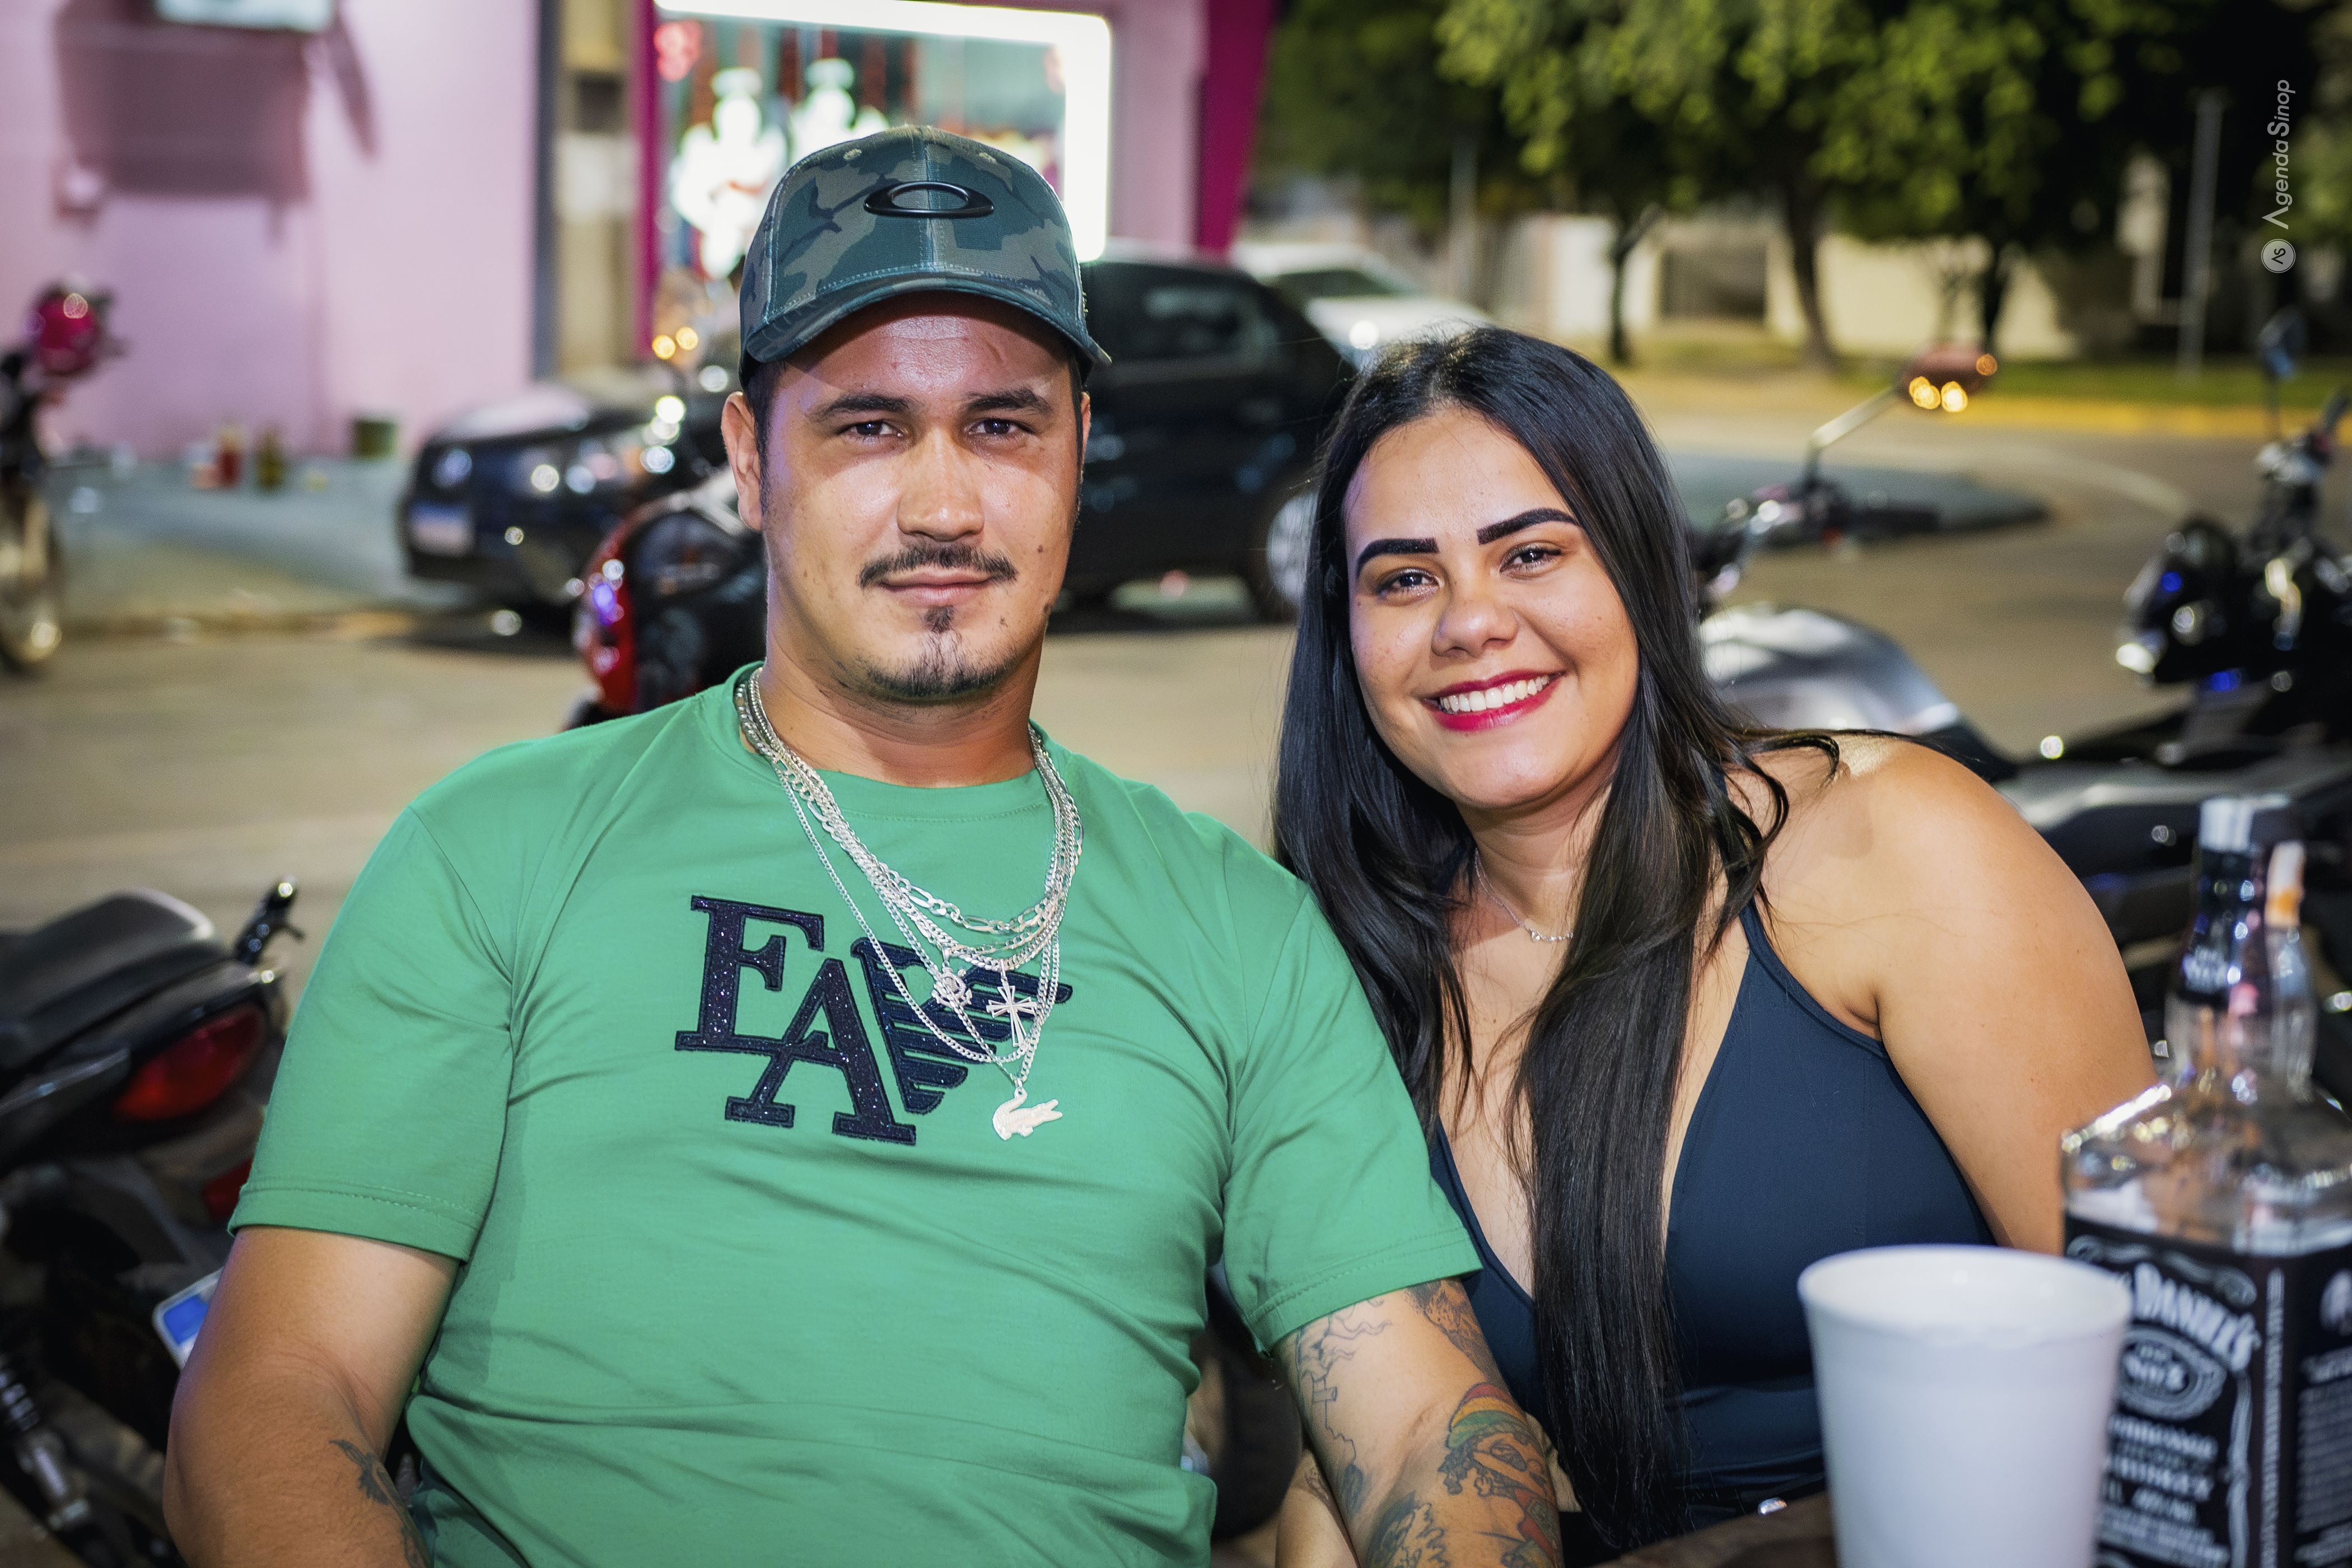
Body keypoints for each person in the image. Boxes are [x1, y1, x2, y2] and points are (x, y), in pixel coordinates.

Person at [163, 130, 1560, 1568]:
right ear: (749, 458)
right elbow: (279, 1393)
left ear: (1079, 450)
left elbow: (1425, 1428)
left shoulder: (1238, 927)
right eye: (870, 427)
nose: (944, 507)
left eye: (1003, 426)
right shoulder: (496, 851)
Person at [1268, 329, 2155, 1564]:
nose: (1471, 620)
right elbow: (1372, 1448)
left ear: (1639, 566)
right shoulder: (1349, 960)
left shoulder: (1894, 844)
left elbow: (2160, 1377)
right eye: (1404, 579)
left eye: (1532, 553)